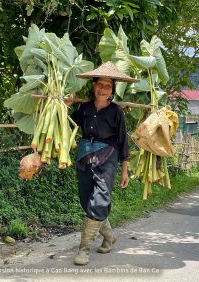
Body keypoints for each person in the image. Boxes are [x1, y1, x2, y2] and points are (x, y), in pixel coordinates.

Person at [65, 61, 138, 265]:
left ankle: (84, 249)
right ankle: (109, 236)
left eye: (108, 85)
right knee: (86, 200)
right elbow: (69, 121)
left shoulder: (116, 112)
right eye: (100, 84)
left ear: (112, 90)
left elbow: (123, 141)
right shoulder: (85, 108)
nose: (103, 88)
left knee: (100, 199)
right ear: (93, 85)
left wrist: (125, 170)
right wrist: (66, 105)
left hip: (108, 157)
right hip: (85, 155)